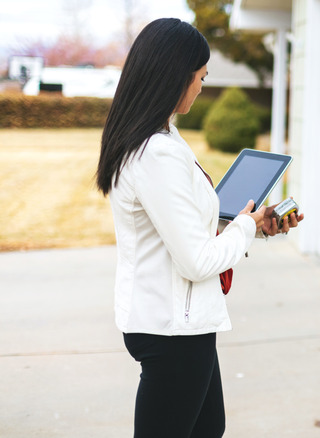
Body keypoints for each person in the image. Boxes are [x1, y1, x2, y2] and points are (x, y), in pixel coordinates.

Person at [95, 18, 302, 437]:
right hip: (172, 330)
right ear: (177, 76)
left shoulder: (161, 136)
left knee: (208, 428)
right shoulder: (156, 153)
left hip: (179, 323)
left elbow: (185, 227)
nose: (203, 87)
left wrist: (255, 225)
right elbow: (196, 260)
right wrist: (243, 227)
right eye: (201, 77)